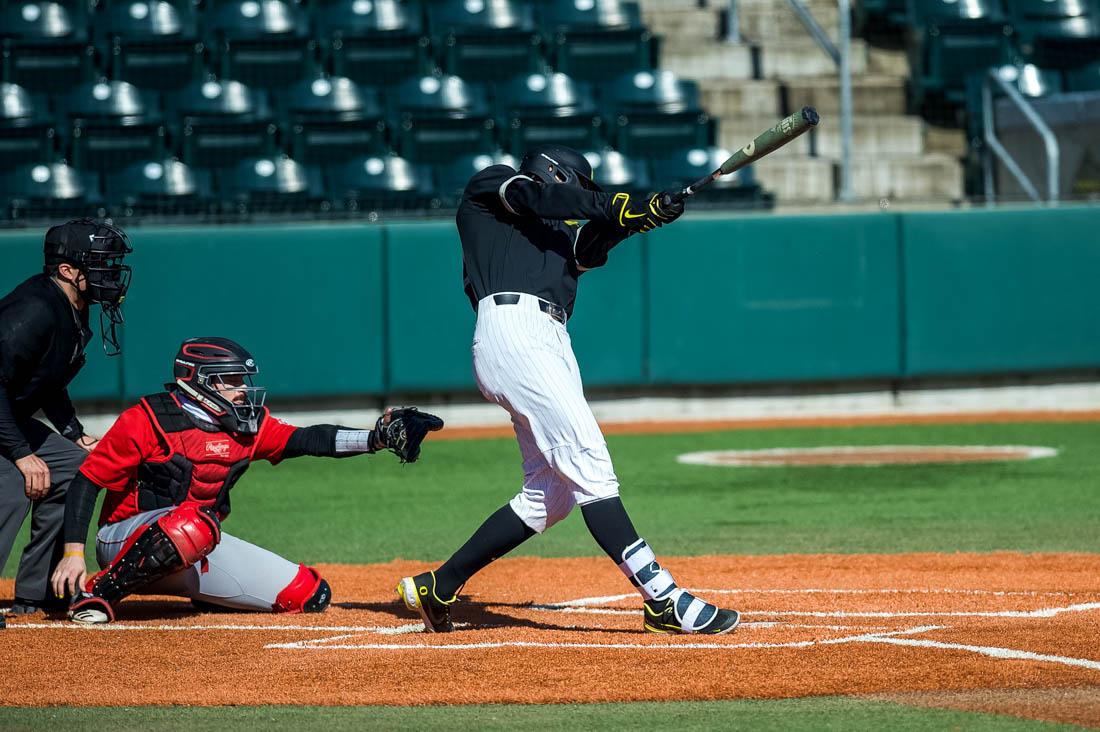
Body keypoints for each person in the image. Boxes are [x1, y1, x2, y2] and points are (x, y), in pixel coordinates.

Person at [396, 145, 740, 635]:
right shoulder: (493, 186)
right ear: (557, 175)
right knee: (590, 464)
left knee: (551, 494)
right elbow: (544, 200)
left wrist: (645, 213)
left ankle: (440, 584)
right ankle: (661, 598)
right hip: (514, 331)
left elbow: (592, 242)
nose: (581, 197)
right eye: (578, 188)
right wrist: (619, 207)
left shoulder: (555, 234)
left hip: (547, 340)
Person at [52, 337, 443, 624]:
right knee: (194, 522)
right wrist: (73, 553)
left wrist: (374, 438)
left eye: (242, 380)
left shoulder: (246, 427)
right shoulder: (147, 418)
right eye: (232, 380)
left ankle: (212, 595)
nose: (242, 390)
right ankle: (96, 596)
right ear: (199, 381)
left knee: (308, 594)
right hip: (122, 539)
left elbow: (307, 439)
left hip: (195, 545)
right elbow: (87, 481)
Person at [0, 219, 132, 616]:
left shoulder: (72, 305)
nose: (111, 272)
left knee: (78, 467)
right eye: (101, 263)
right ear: (67, 271)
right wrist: (22, 453)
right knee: (11, 482)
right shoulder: (33, 311)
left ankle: (38, 593)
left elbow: (48, 377)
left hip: (8, 418)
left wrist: (73, 432)